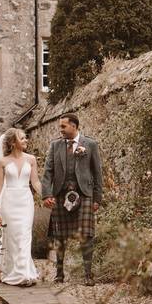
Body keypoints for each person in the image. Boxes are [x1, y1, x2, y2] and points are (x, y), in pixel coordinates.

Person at [41, 113, 103, 285]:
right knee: (59, 235)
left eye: (63, 126)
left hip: (84, 195)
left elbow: (98, 173)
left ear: (74, 126)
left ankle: (88, 275)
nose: (60, 130)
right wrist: (46, 194)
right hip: (60, 195)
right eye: (60, 126)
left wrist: (97, 198)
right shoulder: (55, 145)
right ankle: (59, 274)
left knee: (87, 234)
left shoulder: (90, 144)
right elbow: (48, 172)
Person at [0, 127, 41, 286]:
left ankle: (24, 274)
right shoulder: (3, 162)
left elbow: (35, 182)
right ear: (12, 142)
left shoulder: (31, 159)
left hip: (25, 201)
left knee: (24, 236)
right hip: (9, 201)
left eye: (25, 137)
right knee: (11, 238)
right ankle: (12, 272)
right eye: (22, 138)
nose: (26, 140)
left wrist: (47, 195)